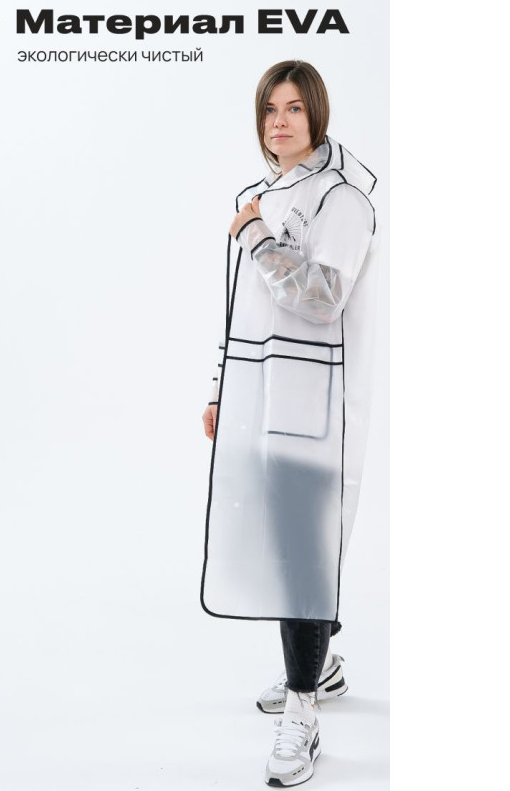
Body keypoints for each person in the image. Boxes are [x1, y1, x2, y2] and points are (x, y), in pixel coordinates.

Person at [199, 60, 380, 787]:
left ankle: (302, 711)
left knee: (305, 556)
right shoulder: (262, 195)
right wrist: (222, 389)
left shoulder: (344, 200)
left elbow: (322, 296)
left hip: (317, 409)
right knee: (287, 550)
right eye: (270, 108)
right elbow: (243, 307)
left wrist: (254, 236)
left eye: (295, 108)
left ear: (317, 115)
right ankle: (322, 668)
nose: (280, 121)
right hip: (264, 400)